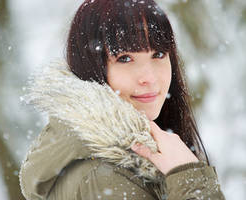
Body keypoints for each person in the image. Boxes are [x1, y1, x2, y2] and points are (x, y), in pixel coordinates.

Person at [19, 0, 226, 199]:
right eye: (125, 58)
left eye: (159, 54)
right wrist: (190, 179)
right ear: (90, 68)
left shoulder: (140, 157)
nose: (150, 78)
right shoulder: (103, 179)